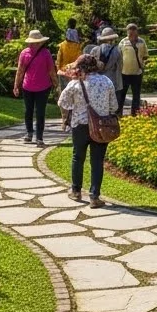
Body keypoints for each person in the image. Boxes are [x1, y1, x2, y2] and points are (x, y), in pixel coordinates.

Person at [58, 54, 115, 208]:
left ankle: (76, 191)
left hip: (80, 125)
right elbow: (114, 106)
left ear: (80, 67)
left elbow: (63, 102)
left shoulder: (75, 84)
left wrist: (75, 106)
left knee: (78, 157)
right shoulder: (106, 81)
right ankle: (94, 196)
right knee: (97, 161)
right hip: (101, 126)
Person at [13, 30, 57, 146]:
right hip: (27, 86)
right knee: (28, 111)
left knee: (40, 112)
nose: (35, 45)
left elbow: (51, 71)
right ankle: (29, 133)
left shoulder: (46, 53)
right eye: (33, 42)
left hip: (43, 87)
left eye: (37, 42)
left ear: (41, 43)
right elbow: (20, 71)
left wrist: (56, 84)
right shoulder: (24, 53)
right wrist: (16, 85)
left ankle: (39, 137)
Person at [118, 23, 150, 116]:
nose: (132, 36)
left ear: (137, 32)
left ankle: (135, 114)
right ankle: (119, 113)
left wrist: (143, 65)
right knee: (122, 94)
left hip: (137, 73)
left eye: (134, 34)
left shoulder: (142, 42)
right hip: (124, 73)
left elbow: (145, 56)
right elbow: (118, 56)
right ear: (127, 33)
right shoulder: (123, 42)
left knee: (136, 95)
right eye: (130, 34)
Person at [87, 27, 123, 97]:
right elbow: (119, 67)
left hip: (97, 80)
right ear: (112, 38)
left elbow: (89, 66)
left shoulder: (95, 49)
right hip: (111, 80)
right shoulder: (117, 51)